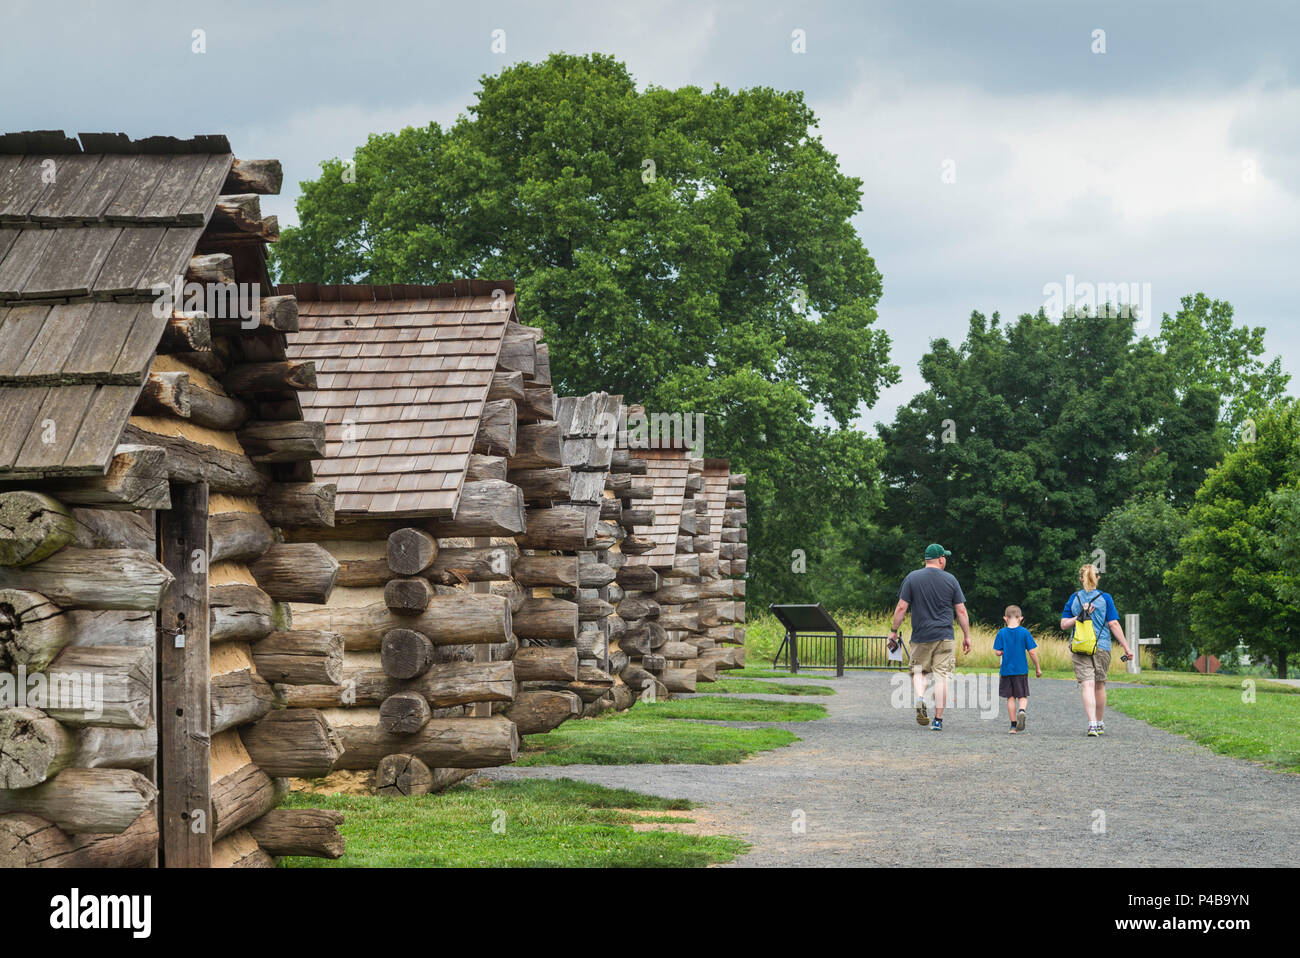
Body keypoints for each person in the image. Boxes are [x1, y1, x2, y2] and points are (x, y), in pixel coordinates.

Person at [888, 543, 972, 731]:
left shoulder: (912, 578)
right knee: (942, 677)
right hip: (944, 636)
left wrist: (894, 630)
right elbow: (961, 610)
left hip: (921, 636)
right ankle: (938, 721)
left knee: (919, 671)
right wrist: (967, 636)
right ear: (941, 559)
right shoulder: (951, 580)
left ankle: (919, 698)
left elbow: (902, 607)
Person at [1059, 563, 1135, 737]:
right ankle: (1099, 723)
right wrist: (1126, 647)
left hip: (1079, 646)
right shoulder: (1105, 598)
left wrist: (1078, 617)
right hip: (1101, 646)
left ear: (1081, 579)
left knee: (1087, 684)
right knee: (1099, 686)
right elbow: (1113, 624)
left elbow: (1063, 625)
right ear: (1098, 578)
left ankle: (1091, 724)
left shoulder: (1074, 598)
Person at [993, 605, 1041, 733]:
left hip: (1006, 671)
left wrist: (1001, 653)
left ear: (1005, 618)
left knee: (1010, 697)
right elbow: (1032, 652)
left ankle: (1013, 726)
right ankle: (1022, 711)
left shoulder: (1001, 633)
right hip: (1021, 670)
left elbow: (998, 651)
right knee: (1022, 695)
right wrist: (1037, 668)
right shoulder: (1025, 632)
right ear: (1021, 618)